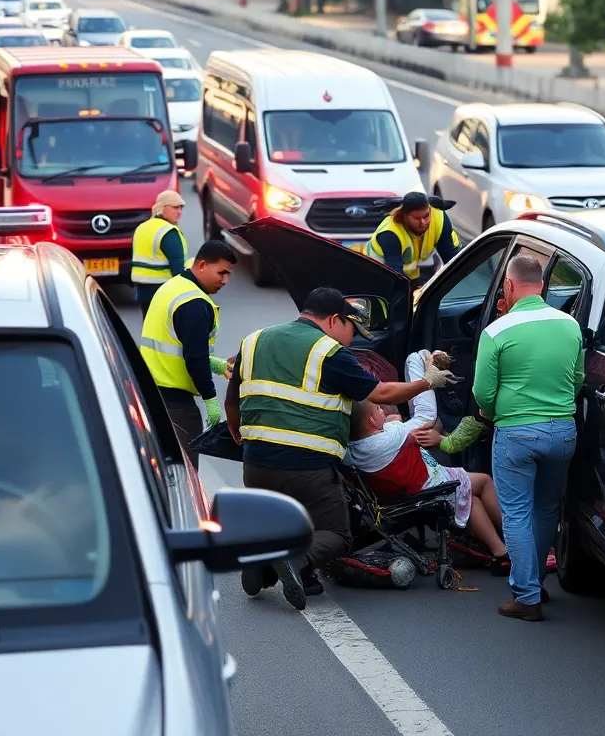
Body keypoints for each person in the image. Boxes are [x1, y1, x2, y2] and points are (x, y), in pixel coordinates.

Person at [225, 287, 458, 611]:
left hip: (256, 463)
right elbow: (381, 392)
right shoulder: (328, 352)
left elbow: (232, 401)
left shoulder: (253, 341)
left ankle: (267, 564)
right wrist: (427, 382)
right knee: (336, 534)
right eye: (352, 330)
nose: (352, 340)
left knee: (290, 518)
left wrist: (241, 438)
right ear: (334, 320)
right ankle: (290, 559)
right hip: (306, 466)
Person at [473, 254, 584, 622]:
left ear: (508, 285)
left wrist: (493, 410)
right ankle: (535, 583)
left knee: (517, 513)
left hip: (517, 435)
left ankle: (526, 596)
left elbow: (482, 393)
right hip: (563, 433)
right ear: (542, 286)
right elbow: (578, 379)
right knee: (546, 509)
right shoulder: (569, 325)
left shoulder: (497, 331)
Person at [347, 399, 508, 567]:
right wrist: (391, 421)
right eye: (379, 409)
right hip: (428, 486)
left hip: (397, 496)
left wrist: (385, 422)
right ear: (372, 420)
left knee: (471, 497)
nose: (383, 412)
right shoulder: (393, 435)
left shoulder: (354, 449)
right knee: (483, 483)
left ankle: (499, 547)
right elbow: (402, 419)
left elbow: (391, 422)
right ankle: (507, 539)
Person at [139, 240, 237, 470]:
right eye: (221, 273)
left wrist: (218, 365)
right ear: (202, 265)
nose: (225, 280)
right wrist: (210, 399)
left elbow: (177, 346)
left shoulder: (175, 286)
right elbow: (194, 357)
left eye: (229, 274)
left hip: (151, 390)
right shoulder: (194, 303)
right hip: (174, 402)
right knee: (185, 470)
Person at [365, 191, 460, 284]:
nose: (423, 223)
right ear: (404, 216)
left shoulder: (439, 218)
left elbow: (450, 256)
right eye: (416, 218)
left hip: (412, 273)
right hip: (378, 276)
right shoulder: (390, 233)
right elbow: (395, 276)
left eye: (426, 216)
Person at [131, 190, 189, 317]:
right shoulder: (168, 232)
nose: (179, 212)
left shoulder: (142, 228)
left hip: (142, 294)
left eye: (180, 208)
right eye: (175, 207)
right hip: (164, 293)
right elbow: (178, 268)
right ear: (162, 208)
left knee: (153, 333)